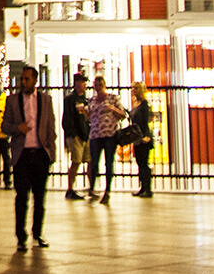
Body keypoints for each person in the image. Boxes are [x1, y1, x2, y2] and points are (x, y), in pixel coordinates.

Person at [2, 65, 56, 252]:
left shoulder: (46, 100)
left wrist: (50, 152)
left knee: (40, 197)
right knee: (21, 197)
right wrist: (18, 128)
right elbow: (4, 126)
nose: (23, 82)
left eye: (27, 79)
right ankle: (21, 236)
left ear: (35, 80)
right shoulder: (12, 101)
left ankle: (38, 233)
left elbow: (50, 126)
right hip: (22, 155)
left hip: (40, 153)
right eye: (21, 79)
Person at [86, 74, 126, 203]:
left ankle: (107, 190)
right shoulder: (92, 100)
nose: (98, 88)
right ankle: (92, 188)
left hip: (109, 134)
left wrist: (112, 109)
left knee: (108, 162)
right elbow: (89, 117)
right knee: (94, 162)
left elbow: (123, 114)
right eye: (96, 86)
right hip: (95, 134)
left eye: (100, 85)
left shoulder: (113, 98)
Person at [62, 72, 91, 199]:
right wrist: (73, 135)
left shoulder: (85, 100)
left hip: (86, 134)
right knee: (76, 161)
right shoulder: (70, 100)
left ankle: (92, 186)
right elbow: (67, 119)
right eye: (81, 82)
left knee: (90, 161)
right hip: (76, 136)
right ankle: (70, 188)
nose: (83, 85)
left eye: (84, 82)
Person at [127, 82, 155, 197]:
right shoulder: (136, 103)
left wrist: (146, 136)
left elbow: (146, 121)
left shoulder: (144, 104)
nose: (133, 90)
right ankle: (143, 187)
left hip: (143, 137)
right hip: (137, 137)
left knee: (144, 163)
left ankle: (147, 189)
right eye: (133, 87)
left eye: (136, 88)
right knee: (140, 162)